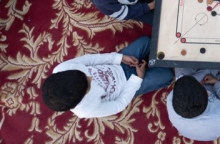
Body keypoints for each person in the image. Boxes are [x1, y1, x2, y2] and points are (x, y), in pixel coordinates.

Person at [42, 36, 174, 118]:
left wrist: (119, 58)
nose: (91, 77)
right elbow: (119, 104)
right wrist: (137, 79)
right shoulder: (86, 110)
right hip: (127, 85)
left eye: (85, 74)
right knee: (168, 75)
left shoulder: (61, 69)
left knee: (147, 41)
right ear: (81, 97)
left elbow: (90, 60)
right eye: (88, 84)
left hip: (118, 65)